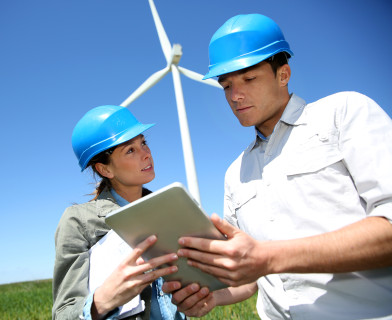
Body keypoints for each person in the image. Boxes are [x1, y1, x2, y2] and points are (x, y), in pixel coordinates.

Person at [162, 13, 392, 319]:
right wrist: (212, 296)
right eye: (226, 85)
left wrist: (269, 257)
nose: (235, 96)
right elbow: (254, 275)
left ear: (283, 74)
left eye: (249, 79)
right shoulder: (235, 173)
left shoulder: (344, 113)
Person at [52, 105, 186, 320]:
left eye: (143, 143)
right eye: (130, 150)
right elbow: (64, 313)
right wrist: (103, 300)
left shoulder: (171, 207)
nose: (146, 154)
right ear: (105, 169)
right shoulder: (78, 222)